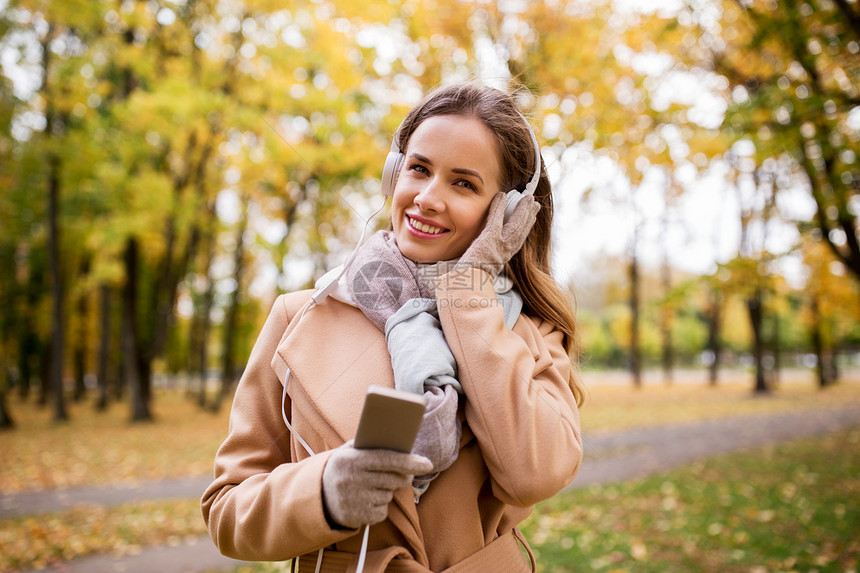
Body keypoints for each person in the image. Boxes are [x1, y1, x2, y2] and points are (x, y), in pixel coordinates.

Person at [201, 82, 585, 573]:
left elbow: (536, 473)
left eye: (463, 183)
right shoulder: (300, 316)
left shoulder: (530, 332)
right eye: (419, 169)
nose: (427, 198)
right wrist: (323, 491)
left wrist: (469, 290)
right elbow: (226, 511)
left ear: (505, 215)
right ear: (393, 173)